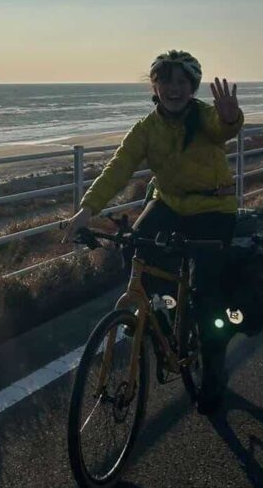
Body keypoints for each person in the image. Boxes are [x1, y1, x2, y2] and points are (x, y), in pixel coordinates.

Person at [61, 49, 244, 413]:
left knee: (206, 294)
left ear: (193, 87)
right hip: (169, 204)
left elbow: (222, 128)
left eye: (182, 82)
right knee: (134, 248)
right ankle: (163, 311)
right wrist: (86, 211)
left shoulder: (204, 117)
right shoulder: (146, 129)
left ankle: (213, 368)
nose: (174, 89)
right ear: (155, 87)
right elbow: (118, 168)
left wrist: (230, 116)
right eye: (166, 81)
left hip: (213, 210)